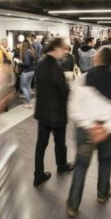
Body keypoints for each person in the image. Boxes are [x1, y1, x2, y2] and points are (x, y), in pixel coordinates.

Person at [66, 45, 111, 217]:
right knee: (106, 163)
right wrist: (106, 128)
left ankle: (73, 205)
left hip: (85, 132)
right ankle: (103, 193)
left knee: (81, 166)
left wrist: (91, 125)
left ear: (97, 59)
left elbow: (73, 108)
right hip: (109, 135)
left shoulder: (82, 79)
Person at [33, 37, 74, 187]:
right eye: (63, 49)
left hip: (42, 111)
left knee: (41, 145)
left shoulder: (41, 63)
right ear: (56, 48)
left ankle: (38, 175)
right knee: (60, 143)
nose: (65, 52)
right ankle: (62, 166)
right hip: (56, 112)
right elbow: (63, 90)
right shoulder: (55, 67)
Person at [14, 40, 35, 109]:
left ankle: (29, 103)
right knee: (28, 86)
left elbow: (26, 63)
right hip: (32, 71)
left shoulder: (26, 52)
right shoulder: (31, 52)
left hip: (26, 72)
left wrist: (19, 62)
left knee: (23, 87)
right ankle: (28, 101)